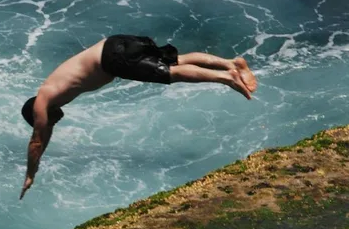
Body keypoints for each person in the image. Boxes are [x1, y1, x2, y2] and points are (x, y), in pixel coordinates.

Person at [19, 35, 257, 199]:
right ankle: (232, 63)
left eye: (48, 120)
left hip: (112, 57)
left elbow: (37, 141)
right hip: (116, 44)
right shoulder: (56, 95)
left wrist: (30, 174)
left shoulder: (43, 100)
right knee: (176, 59)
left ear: (36, 114)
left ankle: (228, 77)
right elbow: (44, 134)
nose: (54, 122)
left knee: (170, 74)